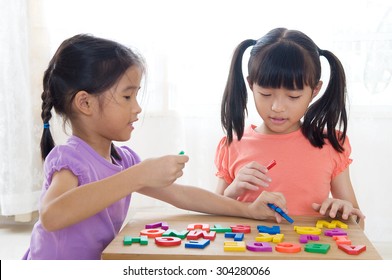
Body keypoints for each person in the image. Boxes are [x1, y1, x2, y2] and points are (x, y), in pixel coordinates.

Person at [22, 34, 287, 260]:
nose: (137, 108)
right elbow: (52, 215)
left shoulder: (123, 160)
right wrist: (137, 176)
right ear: (86, 103)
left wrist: (248, 210)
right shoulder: (70, 158)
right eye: (127, 96)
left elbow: (182, 195)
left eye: (136, 96)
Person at [215, 28, 365, 227]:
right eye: (266, 94)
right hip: (249, 254)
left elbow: (357, 222)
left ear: (315, 91)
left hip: (309, 254)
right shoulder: (233, 144)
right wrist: (232, 191)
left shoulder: (330, 145)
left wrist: (342, 211)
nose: (277, 107)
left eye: (293, 97)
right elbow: (212, 218)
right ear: (251, 85)